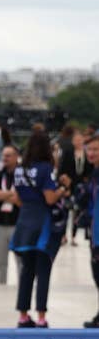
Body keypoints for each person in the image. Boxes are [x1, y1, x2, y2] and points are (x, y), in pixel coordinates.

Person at [10, 131, 71, 328]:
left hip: (24, 223)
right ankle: (42, 316)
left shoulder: (19, 169)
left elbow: (16, 199)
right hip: (42, 225)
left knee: (26, 270)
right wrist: (63, 189)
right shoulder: (45, 169)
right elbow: (50, 199)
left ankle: (23, 315)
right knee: (43, 270)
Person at [0, 145, 21, 283]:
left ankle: (23, 290)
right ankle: (1, 289)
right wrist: (12, 194)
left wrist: (3, 195)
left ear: (16, 157)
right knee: (1, 263)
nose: (5, 158)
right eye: (4, 155)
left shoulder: (22, 174)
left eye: (8, 155)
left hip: (18, 224)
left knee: (21, 261)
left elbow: (22, 200)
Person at [81, 133, 99, 328]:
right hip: (95, 233)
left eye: (95, 149)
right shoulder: (94, 174)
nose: (91, 153)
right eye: (89, 150)